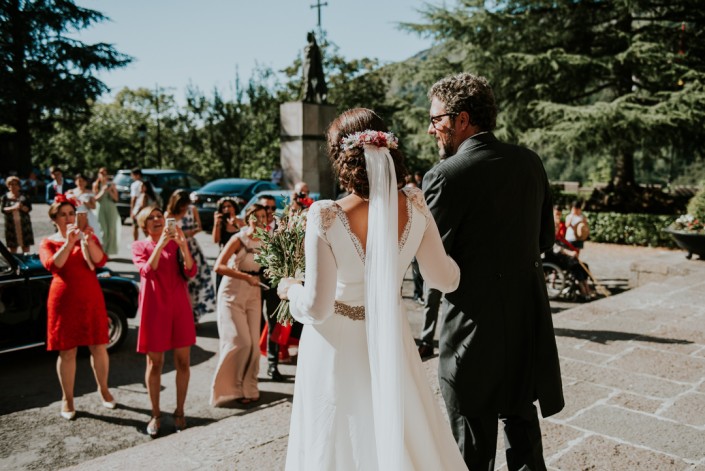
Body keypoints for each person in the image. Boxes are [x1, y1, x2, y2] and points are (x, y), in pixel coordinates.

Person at [276, 108, 467, 470]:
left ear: (342, 157)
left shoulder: (326, 214)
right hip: (391, 338)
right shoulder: (415, 202)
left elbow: (317, 308)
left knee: (336, 439)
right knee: (406, 430)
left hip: (335, 346)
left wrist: (289, 288)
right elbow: (444, 279)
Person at [424, 72, 564, 470]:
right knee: (523, 437)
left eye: (436, 119)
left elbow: (435, 266)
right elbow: (544, 240)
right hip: (523, 325)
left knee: (470, 449)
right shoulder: (530, 163)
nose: (431, 128)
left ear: (462, 119)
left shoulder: (444, 177)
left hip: (469, 333)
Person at [39, 196, 116, 420]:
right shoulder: (48, 241)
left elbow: (100, 261)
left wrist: (88, 240)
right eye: (63, 214)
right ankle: (68, 399)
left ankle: (104, 389)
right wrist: (69, 242)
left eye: (71, 214)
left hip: (90, 297)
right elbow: (53, 265)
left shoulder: (85, 237)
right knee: (68, 351)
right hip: (63, 300)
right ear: (54, 219)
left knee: (99, 345)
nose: (68, 218)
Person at [132, 205, 196, 436]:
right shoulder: (139, 246)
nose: (158, 220)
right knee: (155, 364)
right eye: (151, 217)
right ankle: (156, 414)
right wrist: (160, 244)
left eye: (160, 216)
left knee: (183, 363)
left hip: (178, 306)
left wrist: (183, 246)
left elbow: (191, 271)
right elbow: (147, 271)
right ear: (143, 224)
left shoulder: (177, 243)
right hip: (154, 309)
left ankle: (180, 411)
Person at [211, 204, 268, 406]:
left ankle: (250, 388)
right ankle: (228, 388)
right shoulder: (239, 238)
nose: (261, 220)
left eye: (264, 216)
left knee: (254, 344)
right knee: (240, 341)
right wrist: (244, 276)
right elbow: (219, 266)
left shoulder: (267, 241)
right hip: (232, 291)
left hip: (254, 293)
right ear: (248, 217)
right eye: (256, 216)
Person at [166, 190, 216, 323]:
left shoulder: (192, 209)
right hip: (176, 249)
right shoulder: (169, 214)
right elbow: (168, 235)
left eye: (185, 204)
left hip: (192, 248)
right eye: (181, 205)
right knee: (181, 283)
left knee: (197, 282)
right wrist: (182, 234)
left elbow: (199, 227)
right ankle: (180, 316)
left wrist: (190, 232)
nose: (184, 207)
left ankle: (194, 317)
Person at [257, 194, 285, 381]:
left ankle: (272, 364)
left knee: (273, 322)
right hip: (252, 281)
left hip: (274, 282)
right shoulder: (250, 229)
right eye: (265, 208)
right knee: (255, 323)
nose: (269, 212)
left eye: (272, 208)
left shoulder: (281, 228)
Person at [549, 206, 595, 300]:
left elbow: (565, 245)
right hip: (558, 259)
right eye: (555, 227)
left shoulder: (558, 238)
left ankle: (587, 287)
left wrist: (573, 251)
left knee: (584, 265)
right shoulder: (551, 238)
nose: (557, 229)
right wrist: (570, 253)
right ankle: (583, 290)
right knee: (576, 267)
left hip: (565, 257)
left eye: (557, 227)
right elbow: (557, 249)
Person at [67, 173, 103, 244]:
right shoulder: (72, 192)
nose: (80, 183)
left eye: (82, 181)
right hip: (75, 215)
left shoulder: (89, 192)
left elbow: (94, 206)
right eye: (78, 181)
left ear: (85, 182)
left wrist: (85, 202)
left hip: (87, 215)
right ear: (75, 182)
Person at [2, 176, 34, 253]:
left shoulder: (24, 196)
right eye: (10, 184)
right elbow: (3, 209)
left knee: (25, 248)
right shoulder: (5, 197)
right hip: (11, 226)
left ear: (19, 185)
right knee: (12, 249)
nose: (13, 186)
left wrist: (21, 207)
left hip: (24, 225)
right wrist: (13, 207)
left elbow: (29, 208)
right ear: (8, 186)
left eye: (15, 184)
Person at [92, 167, 120, 255]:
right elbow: (95, 199)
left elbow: (116, 199)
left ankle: (108, 251)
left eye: (105, 173)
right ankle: (102, 251)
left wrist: (111, 190)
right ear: (99, 174)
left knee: (111, 229)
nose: (104, 175)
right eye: (102, 173)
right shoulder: (96, 184)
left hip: (111, 208)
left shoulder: (112, 184)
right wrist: (103, 191)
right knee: (102, 230)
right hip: (100, 208)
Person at [129, 168, 145, 241]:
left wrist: (132, 210)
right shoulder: (146, 183)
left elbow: (133, 198)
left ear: (137, 175)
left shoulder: (135, 185)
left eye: (132, 175)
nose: (131, 177)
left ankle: (135, 242)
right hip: (146, 208)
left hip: (138, 207)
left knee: (135, 226)